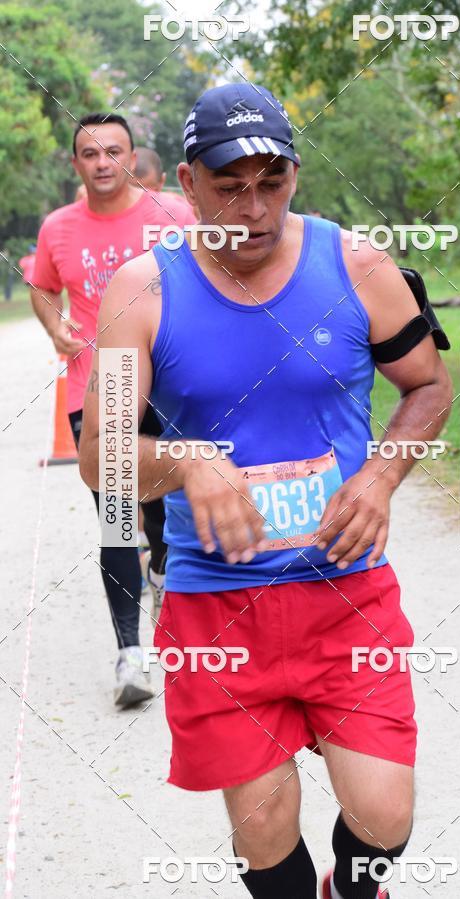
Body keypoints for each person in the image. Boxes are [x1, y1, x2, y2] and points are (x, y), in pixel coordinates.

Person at [79, 84, 452, 898]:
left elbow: (428, 385)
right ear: (187, 183)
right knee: (264, 827)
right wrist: (188, 460)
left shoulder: (358, 265)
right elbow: (100, 454)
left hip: (346, 592)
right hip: (219, 608)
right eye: (229, 187)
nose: (253, 210)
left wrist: (382, 474)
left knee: (384, 813)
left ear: (295, 174)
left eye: (272, 183)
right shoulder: (143, 290)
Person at [30, 112, 196, 707]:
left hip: (170, 383)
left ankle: (164, 575)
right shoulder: (58, 227)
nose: (102, 163)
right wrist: (55, 326)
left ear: (131, 156)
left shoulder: (174, 214)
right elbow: (43, 285)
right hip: (100, 388)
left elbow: (216, 272)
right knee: (118, 519)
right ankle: (131, 655)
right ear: (76, 163)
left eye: (113, 151)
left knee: (170, 517)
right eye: (90, 153)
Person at [132, 146, 198, 219]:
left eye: (153, 193)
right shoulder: (183, 208)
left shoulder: (183, 209)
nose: (145, 200)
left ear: (162, 180)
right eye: (135, 193)